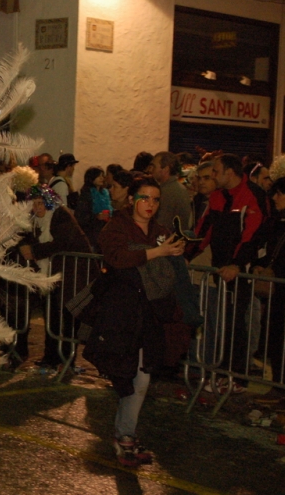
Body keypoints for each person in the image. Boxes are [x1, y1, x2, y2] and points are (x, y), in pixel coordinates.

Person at [83, 176, 185, 467]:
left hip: (149, 314)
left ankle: (125, 436)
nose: (150, 205)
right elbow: (117, 257)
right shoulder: (115, 226)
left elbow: (170, 262)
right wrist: (157, 252)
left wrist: (176, 251)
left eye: (155, 199)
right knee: (125, 373)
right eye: (144, 198)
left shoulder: (161, 231)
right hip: (120, 314)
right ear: (132, 200)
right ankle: (124, 435)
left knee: (142, 375)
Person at [188, 153, 265, 389]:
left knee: (237, 323)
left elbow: (253, 235)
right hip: (221, 271)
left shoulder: (252, 195)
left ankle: (236, 376)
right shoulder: (218, 197)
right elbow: (205, 230)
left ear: (229, 173)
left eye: (215, 172)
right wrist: (185, 255)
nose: (212, 176)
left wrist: (237, 264)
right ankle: (221, 372)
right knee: (223, 322)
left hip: (239, 272)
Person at [18, 185, 91, 369]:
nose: (37, 208)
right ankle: (51, 356)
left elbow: (62, 243)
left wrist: (34, 251)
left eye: (41, 203)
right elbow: (25, 237)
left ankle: (66, 358)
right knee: (51, 316)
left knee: (66, 317)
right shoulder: (34, 221)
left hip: (71, 274)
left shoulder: (60, 215)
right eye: (34, 204)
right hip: (51, 275)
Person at [250, 176, 285, 384]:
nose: (275, 198)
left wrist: (278, 273)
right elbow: (261, 245)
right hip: (277, 293)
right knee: (277, 339)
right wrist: (260, 264)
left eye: (280, 193)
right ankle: (279, 384)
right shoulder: (275, 221)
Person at [150, 151, 191, 232]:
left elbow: (161, 224)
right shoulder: (176, 187)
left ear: (165, 169)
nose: (151, 170)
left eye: (154, 167)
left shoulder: (168, 192)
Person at [75, 166, 111, 252]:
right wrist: (96, 216)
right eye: (99, 176)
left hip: (103, 231)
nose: (102, 178)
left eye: (103, 175)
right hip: (92, 233)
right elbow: (80, 216)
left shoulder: (105, 193)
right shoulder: (86, 194)